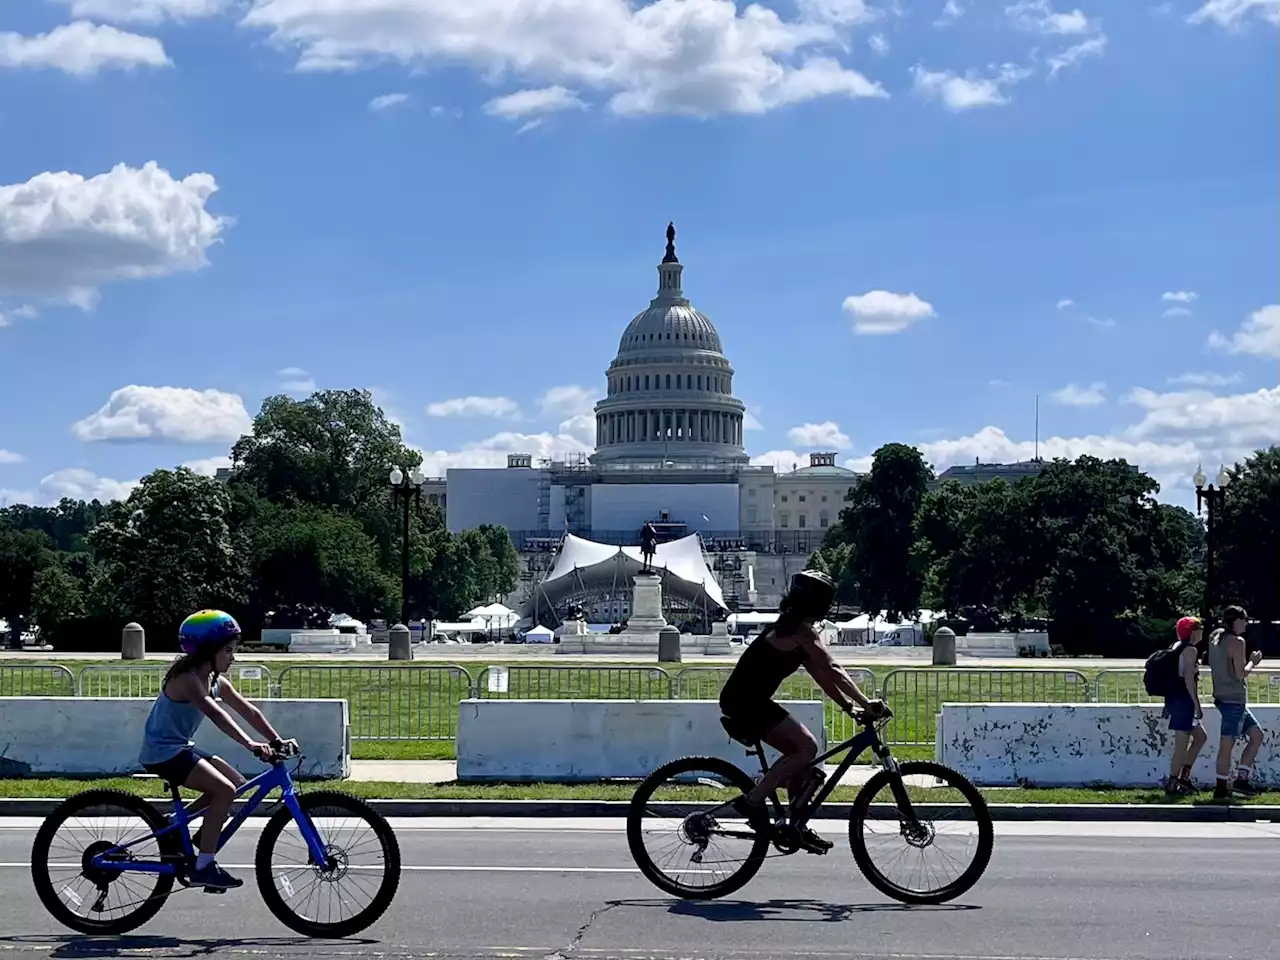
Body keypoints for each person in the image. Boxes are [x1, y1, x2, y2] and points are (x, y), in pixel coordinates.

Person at [718, 570, 886, 852]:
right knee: (806, 746)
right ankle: (752, 801)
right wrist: (867, 702)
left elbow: (822, 674)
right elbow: (833, 668)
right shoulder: (801, 631)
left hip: (748, 700)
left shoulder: (791, 627)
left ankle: (796, 825)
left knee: (802, 759)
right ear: (819, 603)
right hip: (745, 702)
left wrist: (849, 707)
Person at [138, 610, 296, 891]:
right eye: (228, 650)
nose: (233, 657)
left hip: (179, 747)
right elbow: (215, 714)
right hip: (162, 752)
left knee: (236, 784)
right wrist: (250, 744)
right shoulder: (188, 679)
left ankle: (177, 826)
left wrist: (275, 740)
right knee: (224, 791)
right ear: (208, 651)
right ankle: (204, 866)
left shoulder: (214, 680)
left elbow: (248, 710)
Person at [1208, 606, 1264, 800]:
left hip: (1223, 698)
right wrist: (1253, 662)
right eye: (1244, 620)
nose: (1246, 623)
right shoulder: (1237, 642)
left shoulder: (1215, 636)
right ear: (1236, 621)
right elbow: (1241, 674)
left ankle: (1241, 780)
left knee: (1257, 735)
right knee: (1227, 745)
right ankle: (1221, 788)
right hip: (1234, 700)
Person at [1163, 616, 1207, 796]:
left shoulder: (1176, 646)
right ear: (1193, 631)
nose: (1202, 631)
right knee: (1181, 745)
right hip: (1184, 701)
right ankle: (1173, 783)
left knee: (1200, 737)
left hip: (1176, 699)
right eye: (1200, 628)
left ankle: (1184, 778)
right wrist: (1197, 705)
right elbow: (1189, 680)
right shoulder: (1190, 650)